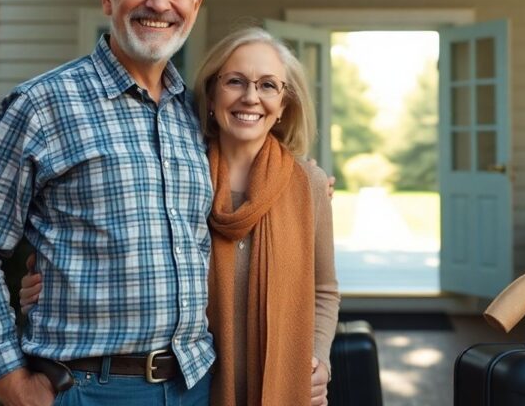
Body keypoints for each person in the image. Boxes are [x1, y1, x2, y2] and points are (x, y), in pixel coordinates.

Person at [0, 0, 215, 406]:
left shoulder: (197, 115)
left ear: (194, 6)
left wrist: (310, 183)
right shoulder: (42, 104)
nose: (159, 3)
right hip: (87, 390)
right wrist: (10, 380)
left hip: (196, 385)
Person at [22, 27, 341, 406]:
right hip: (195, 387)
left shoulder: (309, 185)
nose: (251, 97)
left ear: (285, 104)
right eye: (235, 81)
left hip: (277, 384)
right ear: (211, 94)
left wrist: (318, 357)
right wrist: (42, 288)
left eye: (268, 85)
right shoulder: (179, 174)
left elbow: (323, 289)